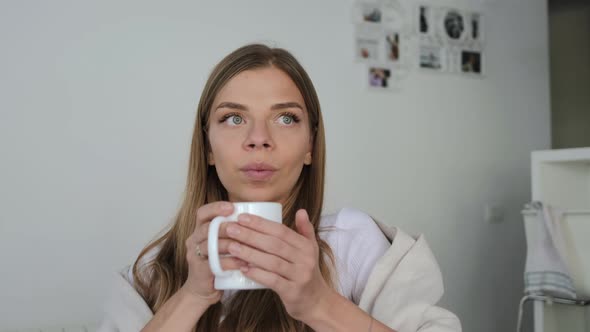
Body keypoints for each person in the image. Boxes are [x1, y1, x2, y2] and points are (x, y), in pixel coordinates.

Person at [98, 44, 462, 332]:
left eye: (286, 118)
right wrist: (192, 296)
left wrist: (320, 304)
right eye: (234, 118)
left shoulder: (355, 243)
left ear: (310, 146)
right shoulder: (155, 268)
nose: (259, 139)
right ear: (207, 146)